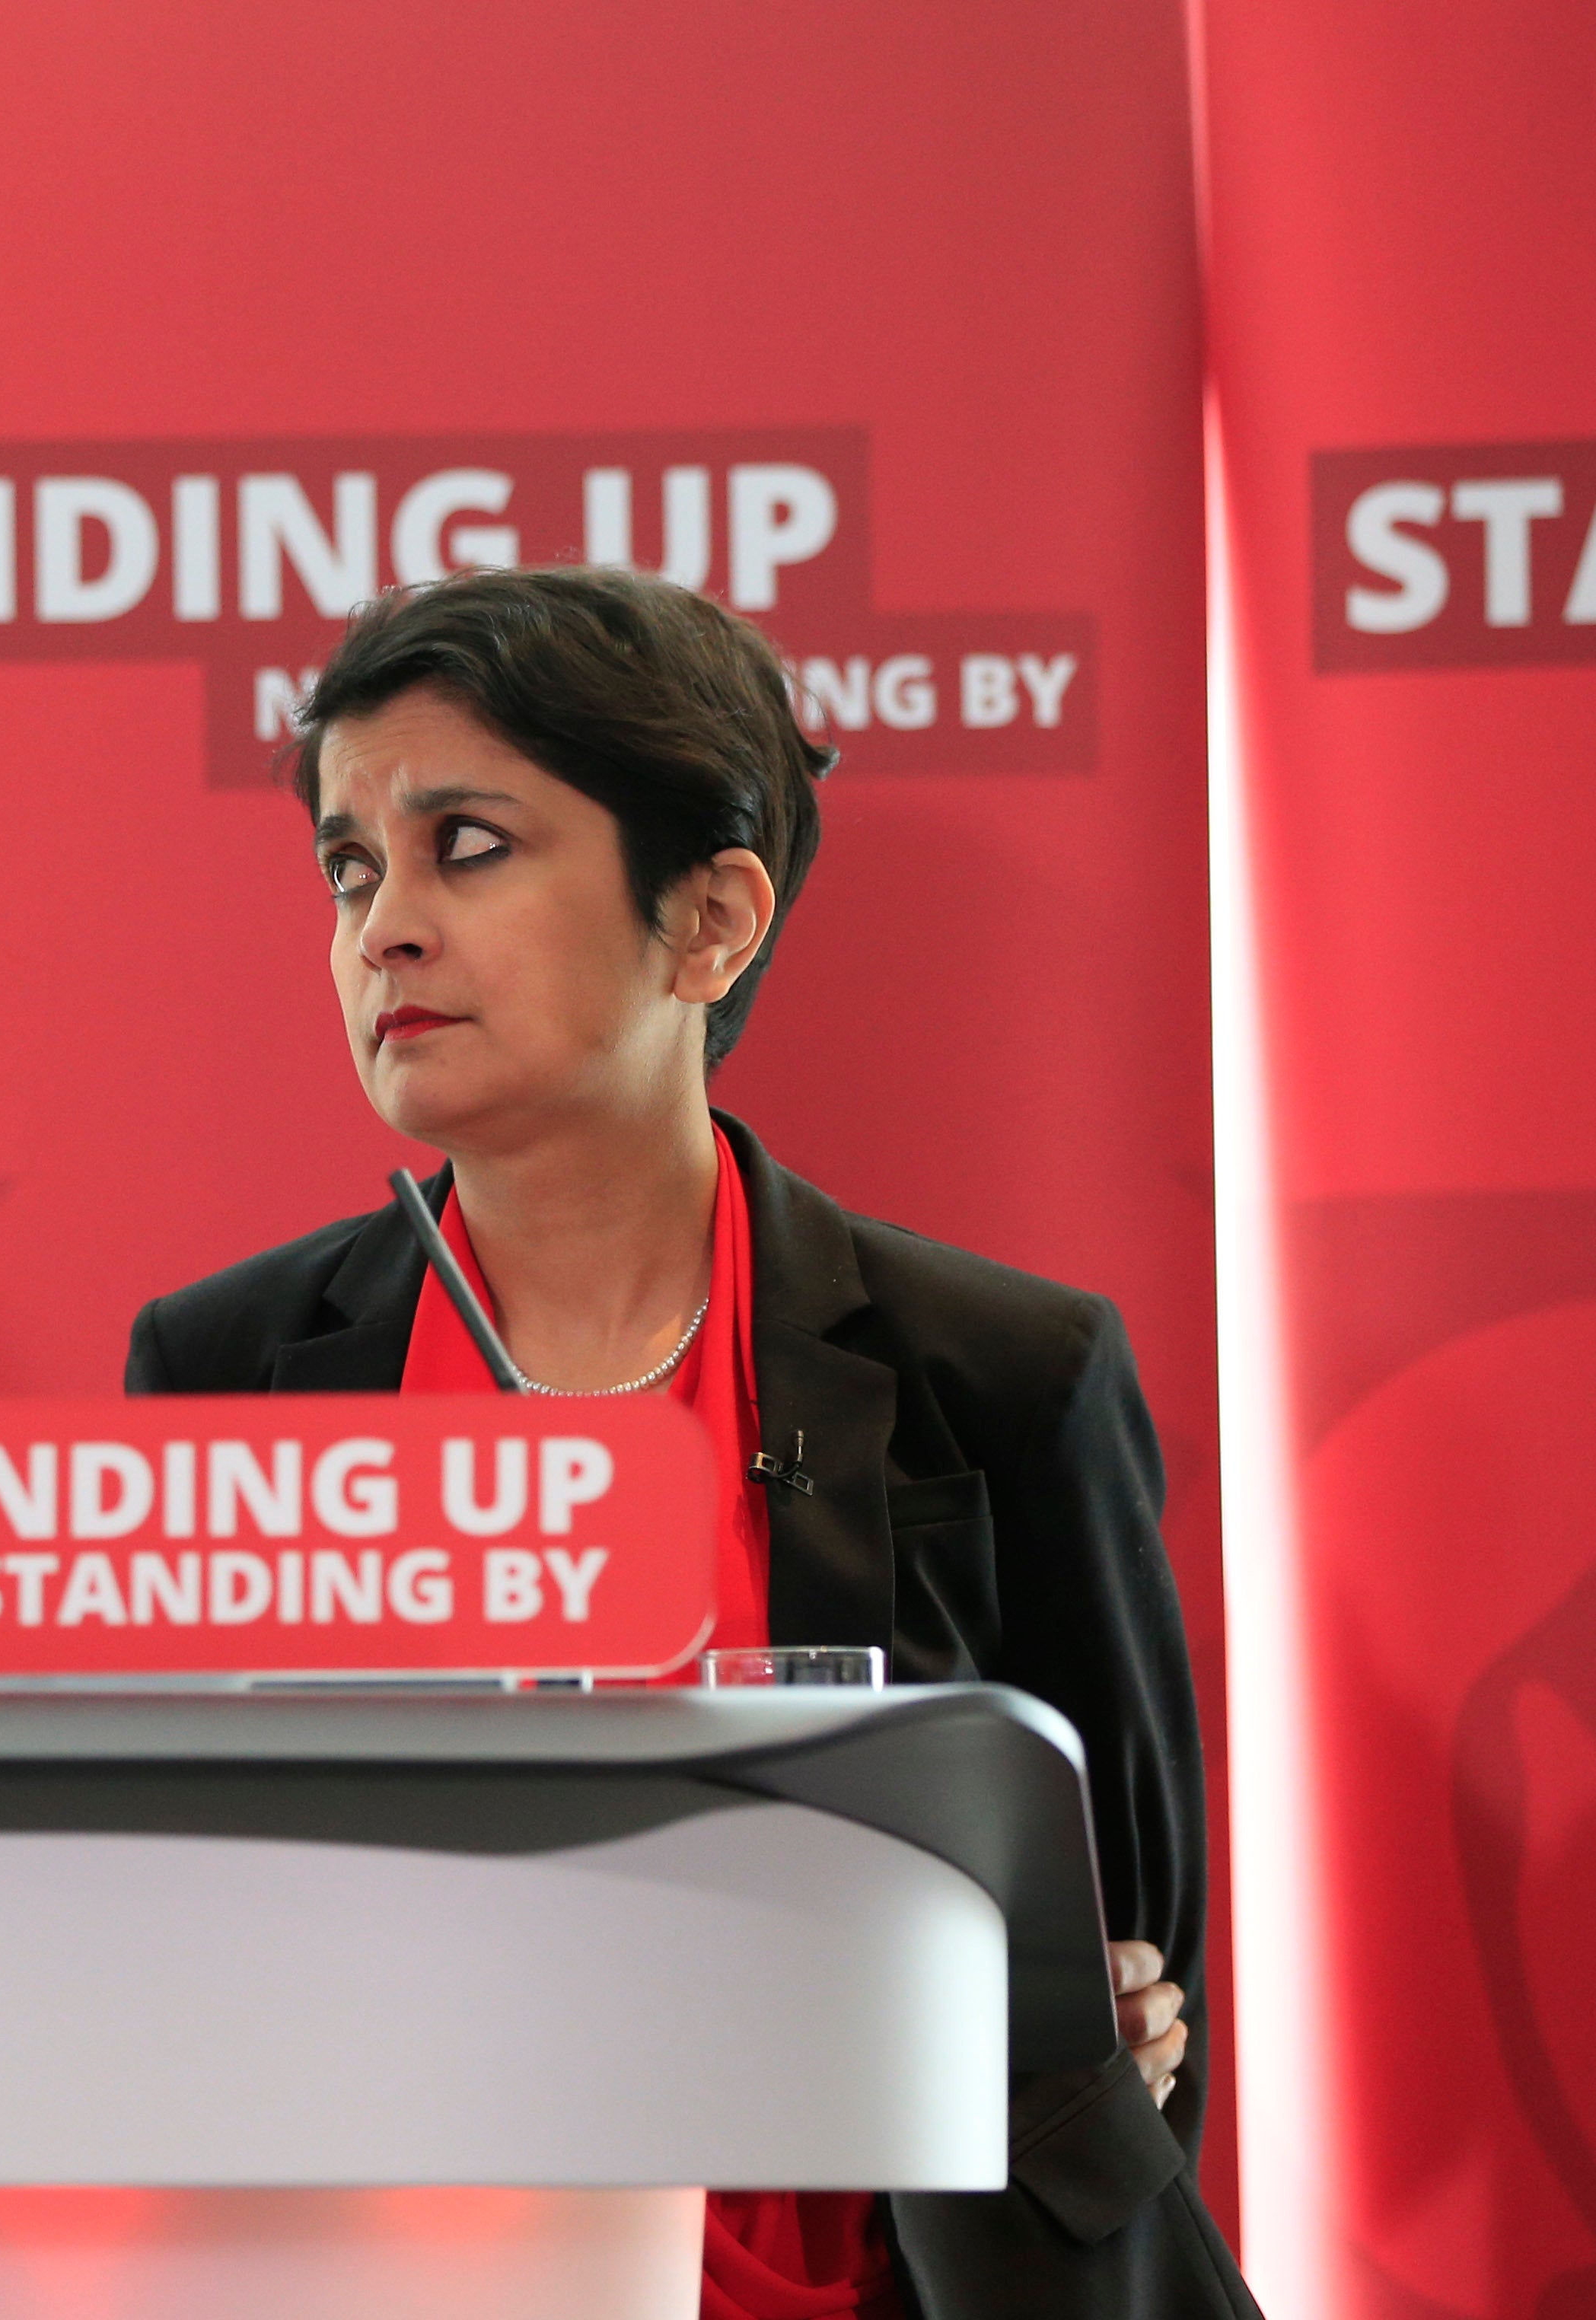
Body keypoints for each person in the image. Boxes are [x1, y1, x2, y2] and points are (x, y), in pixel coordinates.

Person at [124, 568, 1257, 2318]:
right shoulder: (228, 1368)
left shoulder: (1002, 1374)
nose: (383, 930)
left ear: (711, 918)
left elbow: (1128, 1981)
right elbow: (167, 1921)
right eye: (351, 865)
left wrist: (1069, 2014)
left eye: (469, 846)